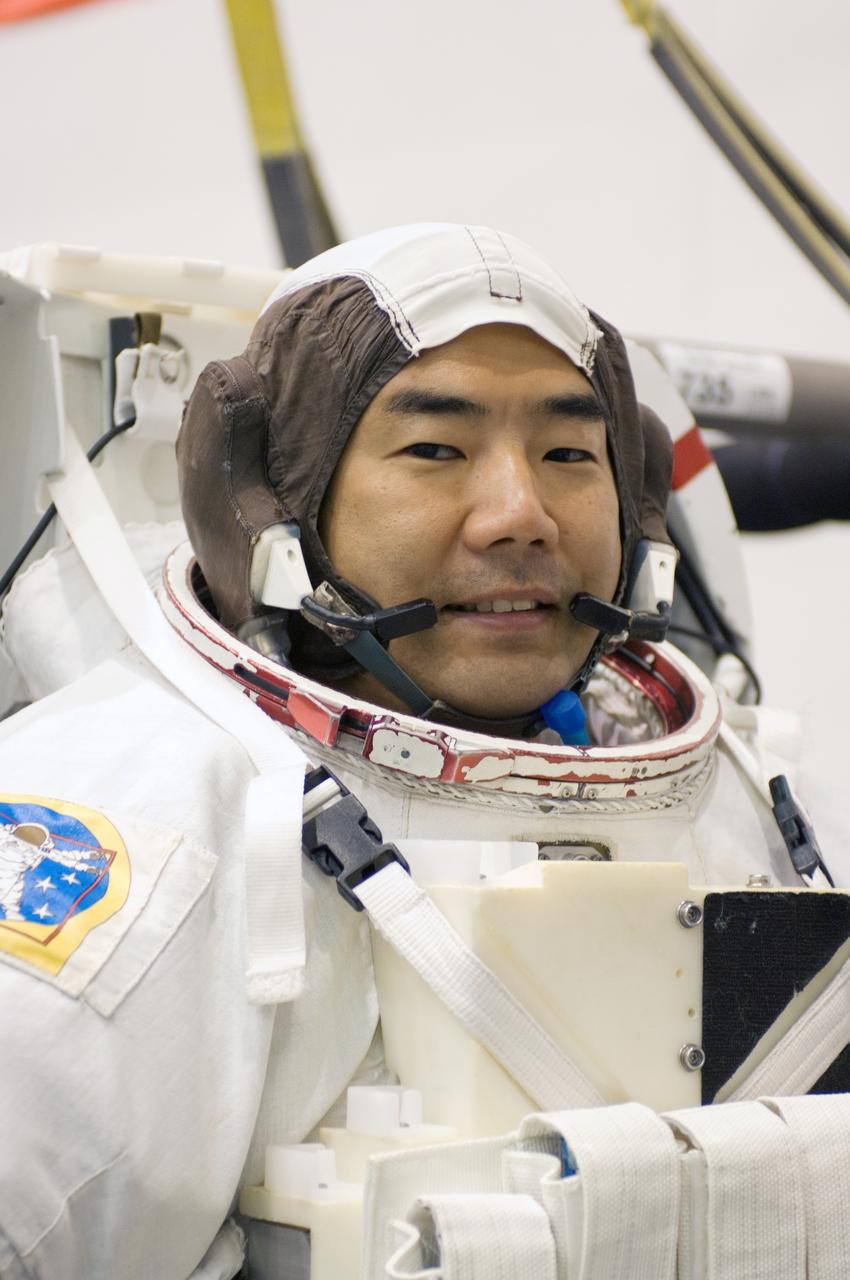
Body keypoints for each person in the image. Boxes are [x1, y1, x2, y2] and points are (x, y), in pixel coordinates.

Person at [0, 223, 844, 1280]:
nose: (519, 513)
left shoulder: (732, 803)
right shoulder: (143, 831)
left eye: (568, 454)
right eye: (436, 450)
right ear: (266, 502)